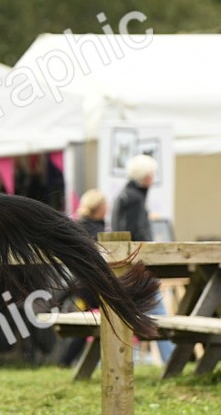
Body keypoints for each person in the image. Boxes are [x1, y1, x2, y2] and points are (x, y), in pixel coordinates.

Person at [112, 155, 174, 364]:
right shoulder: (134, 199)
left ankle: (169, 358)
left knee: (135, 312)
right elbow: (134, 232)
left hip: (126, 265)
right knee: (158, 312)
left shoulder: (127, 195)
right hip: (136, 266)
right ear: (146, 176)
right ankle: (171, 359)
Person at [58, 189, 107, 367]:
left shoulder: (77, 227)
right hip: (92, 286)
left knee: (89, 324)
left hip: (76, 284)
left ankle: (67, 362)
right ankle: (67, 362)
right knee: (97, 323)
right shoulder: (99, 231)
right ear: (100, 208)